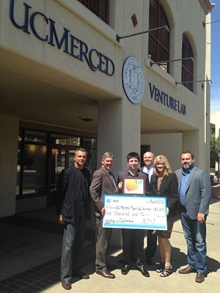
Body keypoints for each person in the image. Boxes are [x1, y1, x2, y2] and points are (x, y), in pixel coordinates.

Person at [54, 148, 91, 290]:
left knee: (79, 243)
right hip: (70, 213)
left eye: (84, 157)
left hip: (82, 213)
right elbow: (59, 194)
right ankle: (66, 277)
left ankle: (76, 270)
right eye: (79, 156)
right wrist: (60, 213)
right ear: (74, 158)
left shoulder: (87, 172)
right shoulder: (67, 172)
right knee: (68, 246)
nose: (82, 158)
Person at [175, 151, 211, 283]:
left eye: (187, 159)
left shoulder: (201, 173)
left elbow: (206, 193)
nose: (185, 161)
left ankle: (201, 270)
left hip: (197, 213)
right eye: (183, 159)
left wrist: (202, 211)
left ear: (193, 159)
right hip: (183, 212)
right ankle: (192, 265)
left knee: (200, 242)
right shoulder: (178, 173)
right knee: (189, 240)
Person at [117, 151, 150, 277]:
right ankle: (126, 262)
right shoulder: (121, 174)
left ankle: (139, 263)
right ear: (128, 162)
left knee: (139, 239)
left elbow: (148, 192)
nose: (134, 163)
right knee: (126, 238)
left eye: (136, 161)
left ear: (138, 162)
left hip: (139, 213)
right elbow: (116, 192)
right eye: (131, 161)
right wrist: (119, 187)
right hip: (126, 212)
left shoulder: (144, 176)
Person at [90, 152, 118, 279]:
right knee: (102, 241)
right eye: (107, 161)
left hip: (110, 213)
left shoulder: (110, 173)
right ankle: (100, 267)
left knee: (106, 240)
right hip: (103, 213)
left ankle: (104, 263)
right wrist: (100, 206)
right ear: (102, 161)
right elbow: (92, 190)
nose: (109, 163)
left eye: (111, 161)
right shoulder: (99, 173)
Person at [150, 155, 178, 277]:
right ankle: (161, 262)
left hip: (168, 212)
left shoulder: (172, 177)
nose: (159, 166)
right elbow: (151, 193)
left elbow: (174, 195)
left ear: (165, 164)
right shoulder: (154, 177)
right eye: (157, 164)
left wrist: (169, 207)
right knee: (159, 238)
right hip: (156, 212)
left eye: (161, 164)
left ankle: (168, 264)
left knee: (164, 238)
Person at [141, 151, 157, 265]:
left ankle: (150, 255)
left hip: (154, 204)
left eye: (149, 157)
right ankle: (137, 253)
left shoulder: (158, 170)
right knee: (139, 231)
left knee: (152, 232)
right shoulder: (139, 170)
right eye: (145, 157)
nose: (147, 159)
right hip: (141, 204)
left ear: (153, 158)